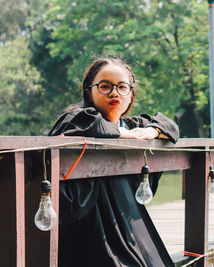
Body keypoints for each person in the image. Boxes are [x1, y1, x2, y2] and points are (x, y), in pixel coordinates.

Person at [49, 55, 179, 267]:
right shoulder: (76, 119)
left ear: (131, 95)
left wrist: (150, 131)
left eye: (122, 87)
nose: (114, 93)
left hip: (126, 223)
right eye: (105, 86)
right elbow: (91, 126)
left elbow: (169, 126)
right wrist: (121, 135)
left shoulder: (133, 126)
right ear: (89, 91)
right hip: (90, 229)